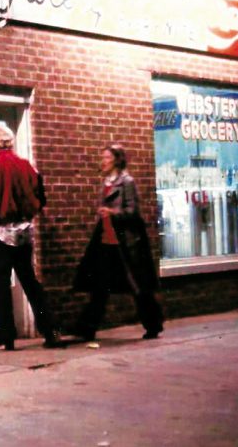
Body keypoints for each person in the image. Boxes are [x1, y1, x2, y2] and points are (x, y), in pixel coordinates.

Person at [0, 126, 63, 350]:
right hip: (24, 233)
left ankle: (5, 337)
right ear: (11, 143)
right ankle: (50, 331)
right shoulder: (26, 165)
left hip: (0, 233)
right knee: (31, 283)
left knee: (1, 286)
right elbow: (40, 197)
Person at [72, 144, 164, 341]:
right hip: (106, 238)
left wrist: (112, 212)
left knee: (136, 285)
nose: (102, 161)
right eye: (102, 157)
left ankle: (153, 324)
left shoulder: (127, 182)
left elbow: (132, 211)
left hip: (124, 242)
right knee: (100, 284)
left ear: (116, 160)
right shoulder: (106, 182)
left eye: (106, 157)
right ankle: (87, 328)